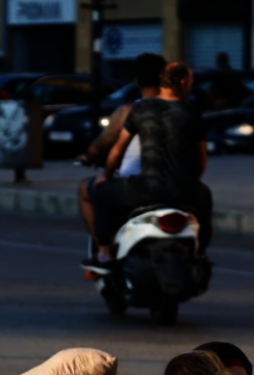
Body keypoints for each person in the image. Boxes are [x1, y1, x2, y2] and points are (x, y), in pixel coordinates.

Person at [86, 62, 209, 269]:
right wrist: (193, 184)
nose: (191, 87)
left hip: (144, 189)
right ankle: (201, 252)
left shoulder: (141, 109)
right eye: (191, 83)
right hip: (183, 190)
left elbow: (117, 150)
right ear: (182, 83)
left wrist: (105, 176)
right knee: (205, 199)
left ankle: (105, 251)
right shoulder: (192, 113)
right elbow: (201, 159)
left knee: (102, 193)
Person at [78, 53, 166, 243]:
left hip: (136, 186)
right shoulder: (182, 112)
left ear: (136, 82)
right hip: (175, 186)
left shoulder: (126, 112)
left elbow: (104, 148)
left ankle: (104, 250)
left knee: (88, 189)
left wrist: (90, 157)